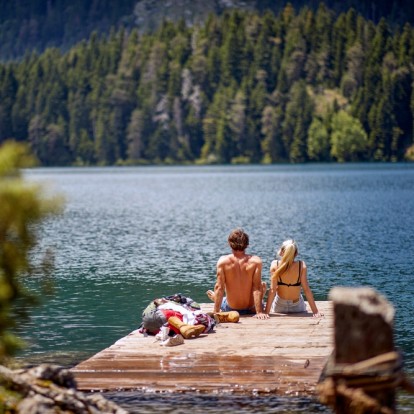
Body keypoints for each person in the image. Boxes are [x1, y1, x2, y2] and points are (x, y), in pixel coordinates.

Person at [207, 228, 268, 320]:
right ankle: (259, 301)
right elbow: (256, 288)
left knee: (221, 297)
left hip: (231, 308)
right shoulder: (256, 261)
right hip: (251, 308)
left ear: (229, 243)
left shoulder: (223, 262)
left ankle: (216, 298)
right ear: (247, 245)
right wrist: (259, 312)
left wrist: (216, 312)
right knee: (262, 286)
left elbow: (219, 287)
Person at [264, 239, 323, 317]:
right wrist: (315, 311)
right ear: (296, 254)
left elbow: (272, 290)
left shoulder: (275, 265)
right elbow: (306, 290)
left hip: (279, 306)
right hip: (297, 307)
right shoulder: (301, 265)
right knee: (301, 295)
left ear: (281, 252)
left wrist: (266, 312)